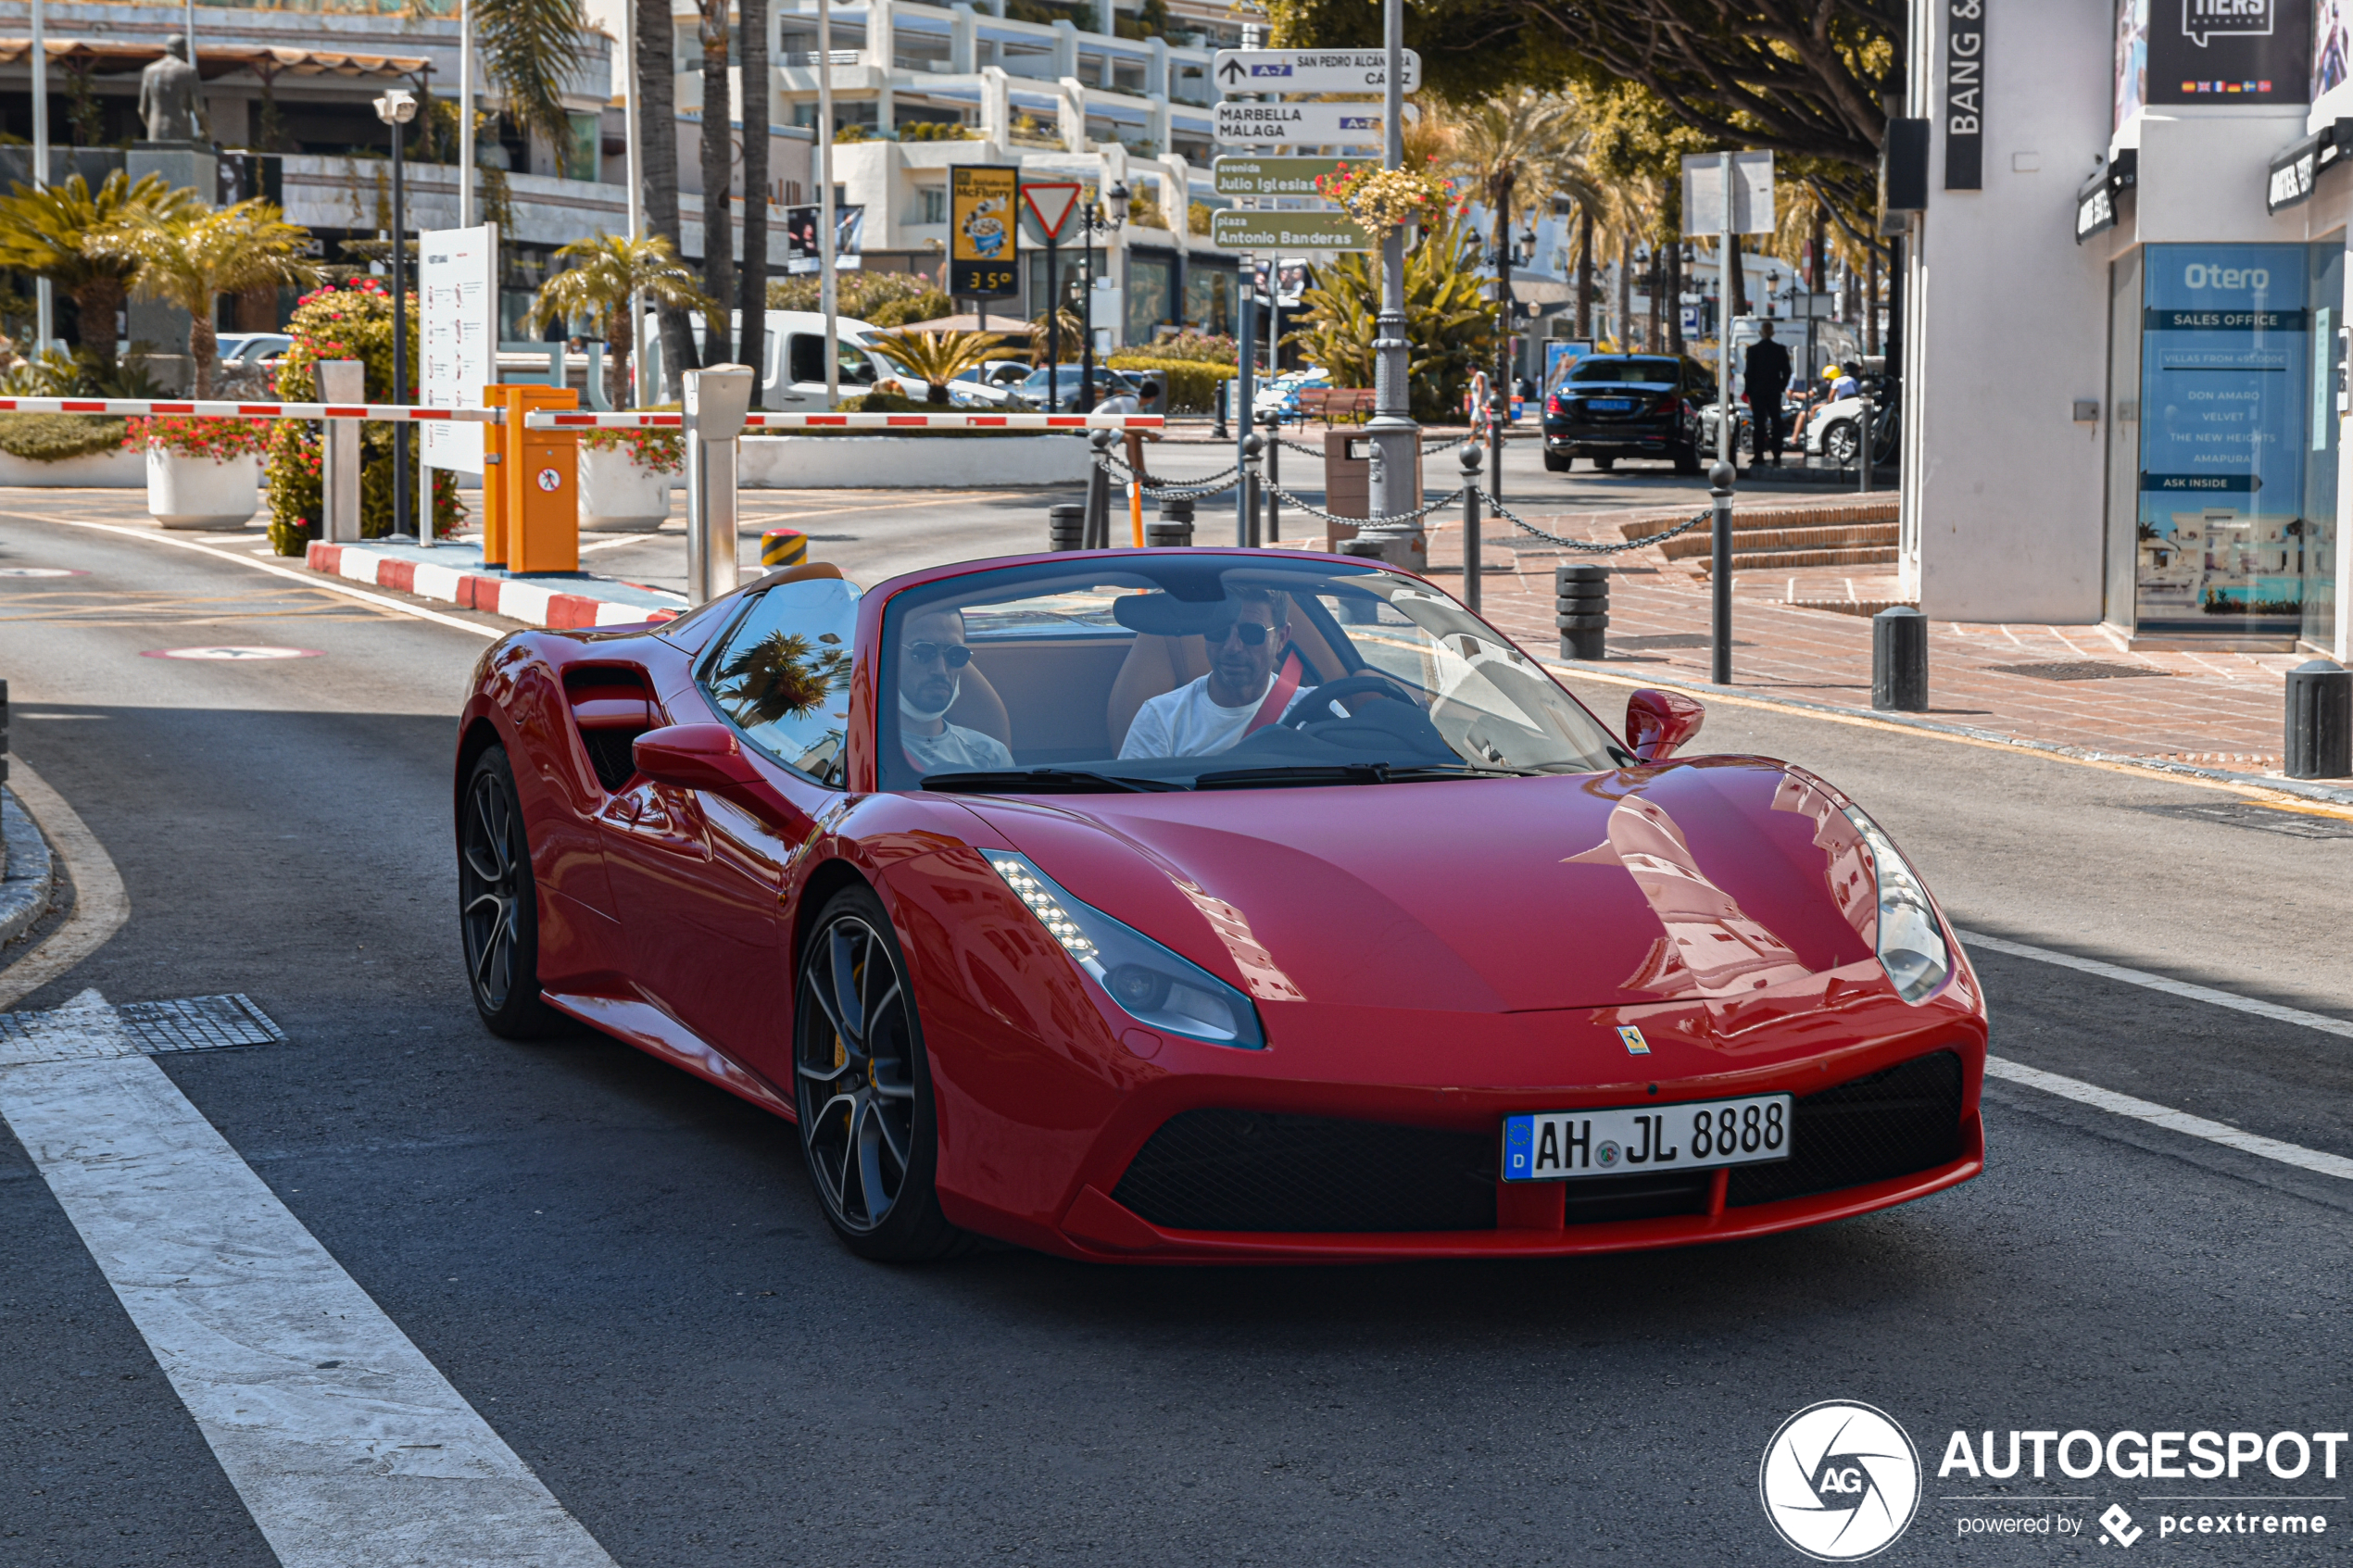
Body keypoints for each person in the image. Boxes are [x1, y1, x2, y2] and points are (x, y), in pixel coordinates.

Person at [1120, 589, 1307, 759]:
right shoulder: (1161, 718)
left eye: (1251, 633)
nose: (1232, 647)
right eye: (1219, 630)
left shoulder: (1314, 710)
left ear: (1281, 638)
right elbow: (1132, 795)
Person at [896, 607, 1013, 774]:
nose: (941, 669)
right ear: (890, 656)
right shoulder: (861, 749)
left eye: (956, 654)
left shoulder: (991, 755)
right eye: (923, 652)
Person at [1742, 320, 1793, 469]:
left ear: (1760, 333)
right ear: (1772, 333)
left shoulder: (1753, 350)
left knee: (1759, 423)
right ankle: (1777, 453)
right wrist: (1781, 386)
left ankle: (1759, 455)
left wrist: (1749, 391)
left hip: (1758, 391)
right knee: (1776, 422)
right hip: (1773, 391)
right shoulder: (1780, 350)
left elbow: (1748, 373)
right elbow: (1787, 372)